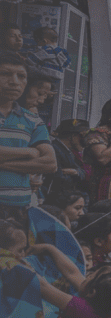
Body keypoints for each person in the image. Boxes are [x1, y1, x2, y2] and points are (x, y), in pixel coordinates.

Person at [0, 51, 55, 218]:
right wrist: (28, 152)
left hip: (18, 208)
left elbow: (50, 163)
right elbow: (39, 158)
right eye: (5, 74)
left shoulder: (32, 120)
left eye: (21, 76)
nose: (14, 82)